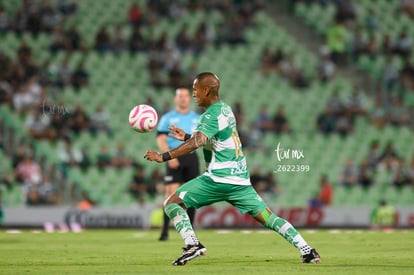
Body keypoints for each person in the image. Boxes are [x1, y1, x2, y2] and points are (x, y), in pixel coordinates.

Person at [144, 72, 320, 265]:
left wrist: (163, 156)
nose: (194, 94)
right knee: (269, 218)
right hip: (240, 182)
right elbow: (215, 139)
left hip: (217, 179)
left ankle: (193, 245)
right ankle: (307, 250)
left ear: (205, 90)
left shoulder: (210, 114)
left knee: (171, 203)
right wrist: (187, 137)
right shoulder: (225, 110)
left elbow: (198, 142)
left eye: (195, 90)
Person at [156, 88, 200, 241]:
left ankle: (191, 232)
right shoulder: (167, 118)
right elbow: (161, 138)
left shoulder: (197, 118)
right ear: (175, 99)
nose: (183, 99)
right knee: (171, 194)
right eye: (180, 96)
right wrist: (169, 156)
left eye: (186, 96)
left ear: (190, 99)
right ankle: (164, 231)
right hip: (174, 156)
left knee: (193, 194)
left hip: (191, 157)